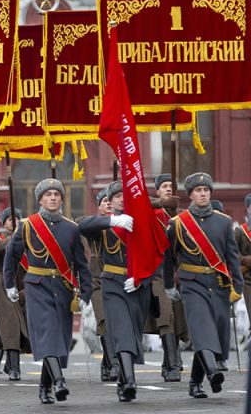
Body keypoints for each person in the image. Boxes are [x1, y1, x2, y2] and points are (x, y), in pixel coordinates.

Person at [4, 178, 91, 405]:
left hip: (63, 287)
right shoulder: (28, 225)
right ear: (40, 200)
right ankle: (59, 381)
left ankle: (44, 386)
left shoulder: (72, 228)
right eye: (48, 195)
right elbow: (12, 256)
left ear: (61, 198)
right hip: (37, 286)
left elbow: (81, 264)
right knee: (48, 333)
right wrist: (10, 284)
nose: (53, 198)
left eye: (56, 194)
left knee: (58, 338)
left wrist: (86, 293)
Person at [164, 172, 243, 399]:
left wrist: (236, 286)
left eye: (206, 190)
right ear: (190, 195)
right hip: (192, 284)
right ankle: (213, 371)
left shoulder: (224, 221)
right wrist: (169, 285)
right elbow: (168, 258)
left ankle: (195, 382)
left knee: (216, 330)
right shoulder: (177, 224)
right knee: (201, 328)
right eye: (198, 190)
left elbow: (232, 257)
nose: (203, 194)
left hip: (218, 284)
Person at [79, 180, 152, 402]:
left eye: (125, 195)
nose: (121, 199)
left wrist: (142, 278)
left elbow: (156, 255)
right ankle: (130, 381)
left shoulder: (142, 222)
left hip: (137, 285)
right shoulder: (103, 226)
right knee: (120, 330)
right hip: (112, 284)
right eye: (117, 196)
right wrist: (112, 220)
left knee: (133, 333)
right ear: (109, 202)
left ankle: (123, 378)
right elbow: (80, 224)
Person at [147, 173, 187, 381]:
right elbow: (134, 206)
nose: (168, 189)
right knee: (165, 316)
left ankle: (171, 361)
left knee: (179, 318)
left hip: (180, 273)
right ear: (157, 191)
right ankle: (172, 365)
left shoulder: (183, 215)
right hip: (158, 273)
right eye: (164, 186)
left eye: (171, 186)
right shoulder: (152, 213)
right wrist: (162, 203)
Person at [0, 207, 30, 381]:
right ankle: (15, 368)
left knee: (25, 328)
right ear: (3, 223)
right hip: (5, 286)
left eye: (16, 219)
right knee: (11, 326)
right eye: (9, 219)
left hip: (25, 286)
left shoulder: (29, 239)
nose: (13, 221)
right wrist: (11, 240)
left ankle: (10, 363)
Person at [82, 190, 119, 382]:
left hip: (118, 278)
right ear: (99, 206)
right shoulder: (94, 225)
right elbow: (82, 223)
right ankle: (113, 364)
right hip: (97, 281)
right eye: (105, 201)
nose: (109, 204)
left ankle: (107, 362)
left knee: (116, 322)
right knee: (103, 320)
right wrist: (110, 221)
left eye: (111, 200)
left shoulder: (124, 223)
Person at [236, 193, 251, 327]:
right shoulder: (240, 231)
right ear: (247, 208)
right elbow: (232, 252)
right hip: (248, 280)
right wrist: (246, 260)